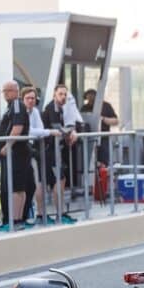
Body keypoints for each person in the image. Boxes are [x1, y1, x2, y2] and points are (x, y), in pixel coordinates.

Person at [41, 84, 80, 224]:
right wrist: (69, 134)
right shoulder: (51, 108)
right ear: (54, 94)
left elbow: (69, 125)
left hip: (57, 150)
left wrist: (72, 132)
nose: (63, 97)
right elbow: (57, 128)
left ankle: (61, 213)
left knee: (60, 181)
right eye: (60, 94)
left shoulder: (63, 109)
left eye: (65, 94)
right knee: (59, 181)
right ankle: (59, 213)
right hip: (50, 151)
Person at [0, 80, 32, 231]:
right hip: (15, 153)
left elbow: (17, 127)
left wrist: (8, 145)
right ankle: (16, 220)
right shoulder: (11, 106)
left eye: (8, 91)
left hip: (17, 153)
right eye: (4, 91)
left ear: (15, 91)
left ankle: (16, 220)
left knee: (16, 188)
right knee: (17, 188)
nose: (5, 94)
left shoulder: (17, 105)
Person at [22, 86, 61, 223]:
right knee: (29, 184)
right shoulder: (21, 112)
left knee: (38, 182)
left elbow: (39, 129)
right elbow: (29, 130)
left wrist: (44, 132)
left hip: (35, 149)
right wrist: (49, 132)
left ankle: (40, 214)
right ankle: (27, 216)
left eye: (33, 98)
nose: (31, 101)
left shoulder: (36, 112)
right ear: (23, 99)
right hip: (23, 150)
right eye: (28, 98)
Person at [80, 88, 119, 165]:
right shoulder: (84, 108)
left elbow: (116, 121)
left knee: (104, 162)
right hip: (88, 139)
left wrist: (103, 119)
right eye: (88, 98)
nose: (90, 100)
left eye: (92, 97)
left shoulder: (106, 106)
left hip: (103, 138)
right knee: (89, 162)